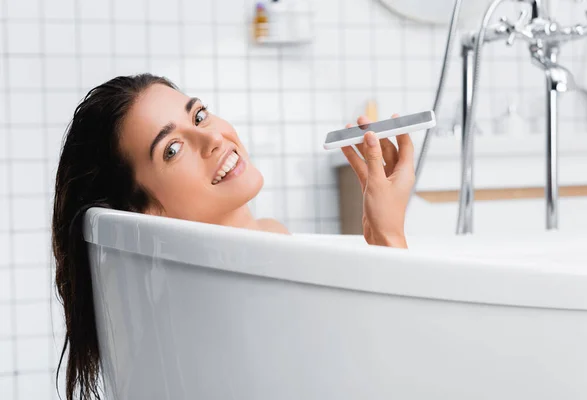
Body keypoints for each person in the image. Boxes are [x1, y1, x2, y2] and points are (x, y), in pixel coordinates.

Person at [51, 73, 415, 399]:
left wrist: (380, 238)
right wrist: (389, 235)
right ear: (146, 212)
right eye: (172, 149)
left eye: (199, 115)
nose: (211, 137)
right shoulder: (207, 303)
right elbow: (392, 376)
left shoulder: (272, 237)